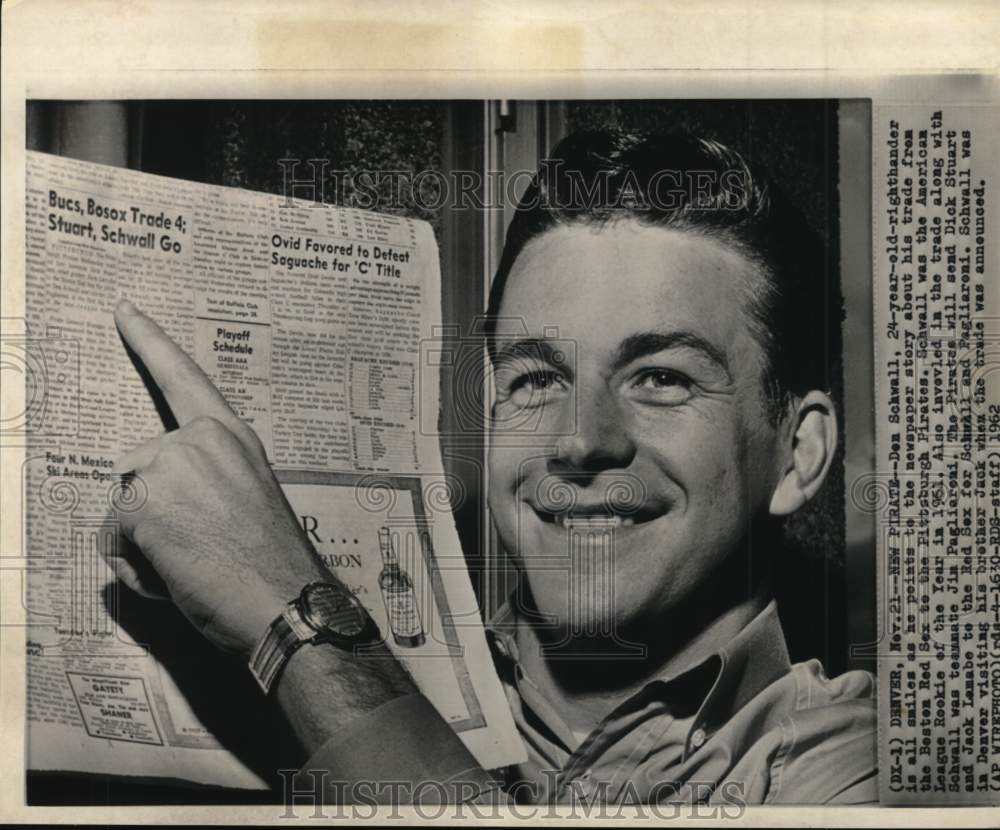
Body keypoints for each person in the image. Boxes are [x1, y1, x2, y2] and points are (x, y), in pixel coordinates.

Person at [109, 128, 876, 806]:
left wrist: (295, 614)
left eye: (662, 378)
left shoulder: (855, 772)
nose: (580, 443)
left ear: (797, 454)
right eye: (537, 379)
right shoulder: (392, 674)